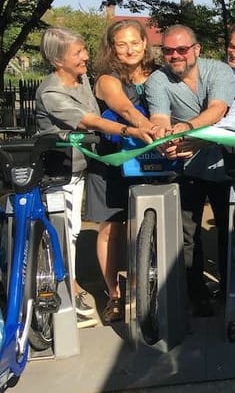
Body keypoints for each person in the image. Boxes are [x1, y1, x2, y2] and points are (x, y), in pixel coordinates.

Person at [35, 27, 156, 327]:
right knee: (66, 230)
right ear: (56, 59)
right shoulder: (52, 92)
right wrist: (138, 130)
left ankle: (71, 287)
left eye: (84, 50)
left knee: (73, 228)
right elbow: (93, 121)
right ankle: (67, 293)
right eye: (77, 53)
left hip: (81, 168)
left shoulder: (81, 79)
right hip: (59, 171)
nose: (85, 56)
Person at [144, 24, 235, 316]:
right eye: (168, 50)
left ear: (196, 49)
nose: (175, 55)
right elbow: (158, 117)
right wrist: (161, 136)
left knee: (229, 227)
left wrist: (187, 127)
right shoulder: (157, 79)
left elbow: (218, 108)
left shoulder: (219, 71)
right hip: (186, 165)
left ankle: (232, 288)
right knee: (187, 233)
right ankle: (196, 294)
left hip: (224, 162)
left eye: (181, 49)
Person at [89, 19, 162, 324]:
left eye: (135, 42)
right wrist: (158, 133)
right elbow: (126, 110)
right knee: (112, 229)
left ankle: (150, 287)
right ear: (112, 48)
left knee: (152, 224)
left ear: (145, 43)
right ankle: (114, 296)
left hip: (152, 158)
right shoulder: (107, 79)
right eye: (122, 44)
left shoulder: (159, 76)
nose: (130, 49)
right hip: (112, 159)